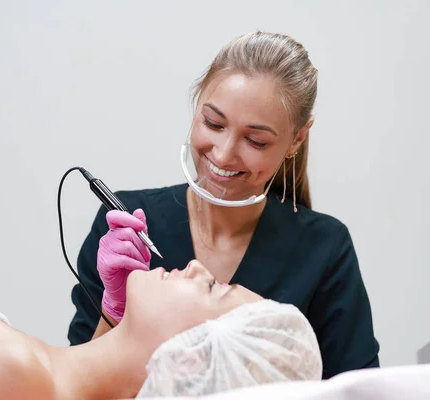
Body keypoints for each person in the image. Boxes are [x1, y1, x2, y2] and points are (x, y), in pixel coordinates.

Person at [68, 30, 380, 379]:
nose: (224, 153)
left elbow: (359, 388)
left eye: (256, 141)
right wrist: (113, 314)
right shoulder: (126, 224)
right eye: (213, 123)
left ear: (297, 139)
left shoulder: (324, 249)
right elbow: (77, 384)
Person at [0, 261, 322, 399]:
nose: (198, 267)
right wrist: (110, 313)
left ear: (187, 361)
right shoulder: (28, 368)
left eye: (213, 287)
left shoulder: (14, 370)